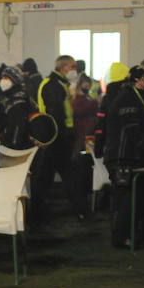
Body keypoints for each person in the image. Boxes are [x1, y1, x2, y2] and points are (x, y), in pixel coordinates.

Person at [101, 65, 144, 249]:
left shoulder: (134, 96)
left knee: (132, 198)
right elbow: (132, 129)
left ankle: (129, 234)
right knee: (125, 199)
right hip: (122, 156)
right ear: (136, 80)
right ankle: (122, 237)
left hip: (128, 155)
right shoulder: (128, 98)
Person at [28, 55, 86, 229]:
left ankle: (40, 215)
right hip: (55, 139)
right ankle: (40, 216)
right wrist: (61, 137)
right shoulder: (53, 85)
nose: (75, 70)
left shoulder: (59, 84)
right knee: (55, 178)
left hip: (58, 138)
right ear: (65, 68)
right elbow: (56, 115)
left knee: (48, 179)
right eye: (73, 66)